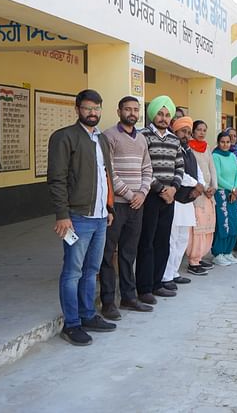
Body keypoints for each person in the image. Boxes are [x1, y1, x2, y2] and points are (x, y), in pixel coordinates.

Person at [47, 89, 117, 346]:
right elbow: (57, 180)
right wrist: (62, 215)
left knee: (91, 270)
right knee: (72, 271)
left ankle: (88, 315)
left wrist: (109, 209)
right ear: (77, 109)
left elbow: (106, 177)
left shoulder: (101, 140)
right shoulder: (64, 137)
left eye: (97, 108)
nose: (93, 113)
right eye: (88, 108)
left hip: (100, 217)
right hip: (76, 217)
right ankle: (72, 323)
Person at [99, 97, 154, 321]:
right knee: (108, 254)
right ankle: (108, 302)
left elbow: (147, 168)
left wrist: (142, 193)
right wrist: (131, 195)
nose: (132, 113)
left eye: (135, 109)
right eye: (127, 109)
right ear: (119, 110)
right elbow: (109, 172)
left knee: (128, 253)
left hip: (137, 205)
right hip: (117, 205)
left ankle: (129, 297)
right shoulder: (109, 136)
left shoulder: (141, 138)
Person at [137, 95, 185, 303]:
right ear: (152, 114)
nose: (164, 118)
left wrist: (173, 188)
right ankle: (144, 288)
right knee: (146, 241)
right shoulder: (143, 136)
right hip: (150, 196)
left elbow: (179, 166)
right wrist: (160, 189)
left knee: (163, 241)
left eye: (167, 115)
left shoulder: (175, 139)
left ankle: (158, 283)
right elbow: (142, 166)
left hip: (169, 197)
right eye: (160, 114)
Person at [162, 116, 205, 287]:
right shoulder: (173, 148)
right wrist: (196, 184)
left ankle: (174, 272)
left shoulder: (189, 150)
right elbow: (177, 172)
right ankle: (165, 276)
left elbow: (198, 172)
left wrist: (201, 185)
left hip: (188, 201)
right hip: (176, 200)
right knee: (171, 240)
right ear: (175, 131)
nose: (186, 135)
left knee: (182, 239)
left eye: (188, 132)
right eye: (183, 131)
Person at [186, 120, 218, 276]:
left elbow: (212, 168)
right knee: (197, 229)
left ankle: (200, 257)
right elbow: (194, 171)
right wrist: (205, 188)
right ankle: (193, 260)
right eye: (198, 130)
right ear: (192, 131)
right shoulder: (189, 148)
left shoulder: (207, 147)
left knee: (208, 227)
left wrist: (214, 187)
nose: (202, 133)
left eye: (204, 130)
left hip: (209, 195)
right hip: (198, 194)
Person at [211, 131, 237, 266]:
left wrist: (236, 189)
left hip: (233, 194)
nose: (225, 145)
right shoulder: (215, 156)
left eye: (228, 142)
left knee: (233, 223)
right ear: (218, 143)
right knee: (223, 224)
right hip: (222, 193)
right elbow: (217, 177)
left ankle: (228, 252)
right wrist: (232, 188)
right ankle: (218, 253)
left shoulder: (232, 156)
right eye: (222, 142)